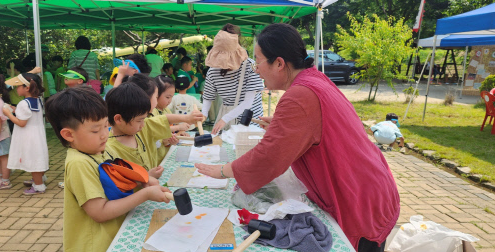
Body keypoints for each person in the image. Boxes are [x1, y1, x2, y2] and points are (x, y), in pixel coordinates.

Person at [195, 23, 399, 252]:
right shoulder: (314, 79)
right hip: (369, 186)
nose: (256, 69)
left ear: (279, 63)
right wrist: (290, 126)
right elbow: (321, 123)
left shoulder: (299, 96)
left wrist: (224, 170)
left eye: (258, 61)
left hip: (358, 199)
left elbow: (269, 157)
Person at [45, 86, 170, 252]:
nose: (105, 134)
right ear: (68, 135)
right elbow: (100, 212)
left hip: (114, 235)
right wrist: (145, 194)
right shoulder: (79, 163)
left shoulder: (102, 149)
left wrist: (143, 180)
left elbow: (120, 179)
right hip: (96, 244)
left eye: (106, 126)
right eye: (96, 130)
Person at [202, 24, 265, 134]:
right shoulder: (213, 71)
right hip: (227, 123)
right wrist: (202, 116)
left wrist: (224, 120)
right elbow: (208, 97)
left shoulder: (251, 67)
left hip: (250, 124)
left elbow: (248, 103)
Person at [3, 73, 49, 195]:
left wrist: (8, 114)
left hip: (28, 136)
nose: (16, 89)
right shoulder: (37, 100)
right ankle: (39, 178)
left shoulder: (24, 103)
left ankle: (39, 186)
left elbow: (21, 122)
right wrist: (14, 109)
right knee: (38, 157)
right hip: (37, 134)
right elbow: (28, 113)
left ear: (27, 88)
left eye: (18, 86)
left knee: (33, 160)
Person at [153, 75, 189, 163]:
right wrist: (178, 128)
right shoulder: (152, 112)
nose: (170, 101)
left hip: (165, 154)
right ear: (156, 95)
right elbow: (157, 130)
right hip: (156, 158)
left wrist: (178, 133)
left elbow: (170, 130)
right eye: (167, 97)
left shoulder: (166, 109)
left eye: (172, 97)